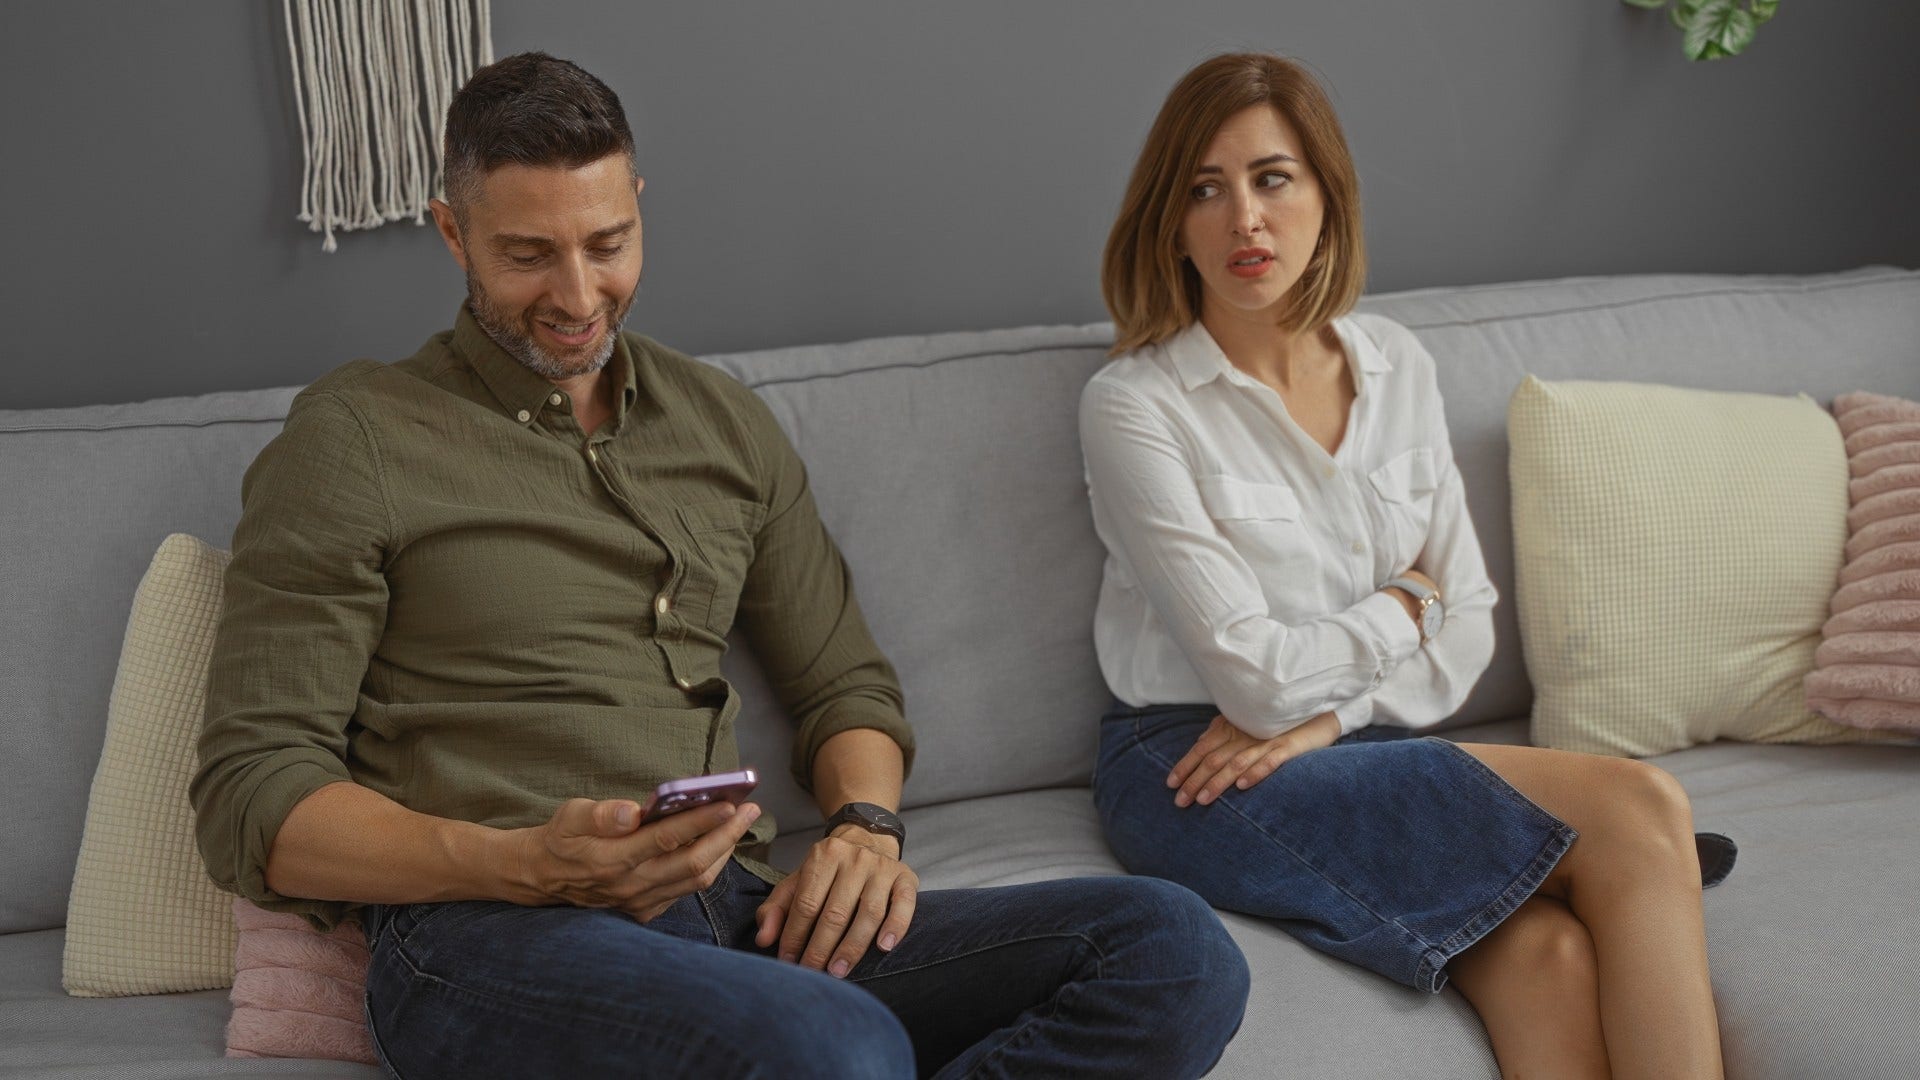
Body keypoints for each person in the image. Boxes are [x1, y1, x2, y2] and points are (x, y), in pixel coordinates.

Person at [192, 51, 1248, 1080]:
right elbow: (254, 795)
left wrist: (864, 829)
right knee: (837, 1047)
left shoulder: (722, 423)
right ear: (453, 233)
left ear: (639, 206)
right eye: (527, 255)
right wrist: (526, 862)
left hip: (741, 917)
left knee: (1171, 951)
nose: (578, 295)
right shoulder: (357, 436)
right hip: (490, 936)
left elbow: (845, 688)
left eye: (608, 243)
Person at [1084, 53, 1734, 1079]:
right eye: (1205, 190)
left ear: (1328, 198)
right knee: (1641, 808)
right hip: (1195, 767)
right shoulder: (1135, 405)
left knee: (1550, 955)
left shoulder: (1398, 363)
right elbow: (1254, 680)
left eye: (1272, 178)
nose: (1245, 218)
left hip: (1348, 737)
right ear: (1171, 223)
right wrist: (1404, 601)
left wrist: (1330, 717)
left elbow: (1467, 626)